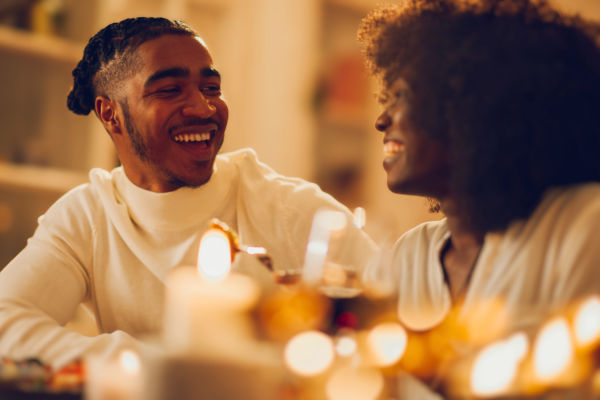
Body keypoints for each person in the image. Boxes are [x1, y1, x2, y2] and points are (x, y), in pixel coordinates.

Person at [0, 17, 375, 368]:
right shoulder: (88, 216)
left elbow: (393, 319)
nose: (203, 107)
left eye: (211, 88)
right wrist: (171, 365)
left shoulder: (293, 210)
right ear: (110, 114)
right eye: (170, 89)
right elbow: (7, 324)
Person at [359, 0, 600, 390]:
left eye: (401, 95)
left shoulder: (584, 224)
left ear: (475, 107)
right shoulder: (406, 256)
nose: (381, 119)